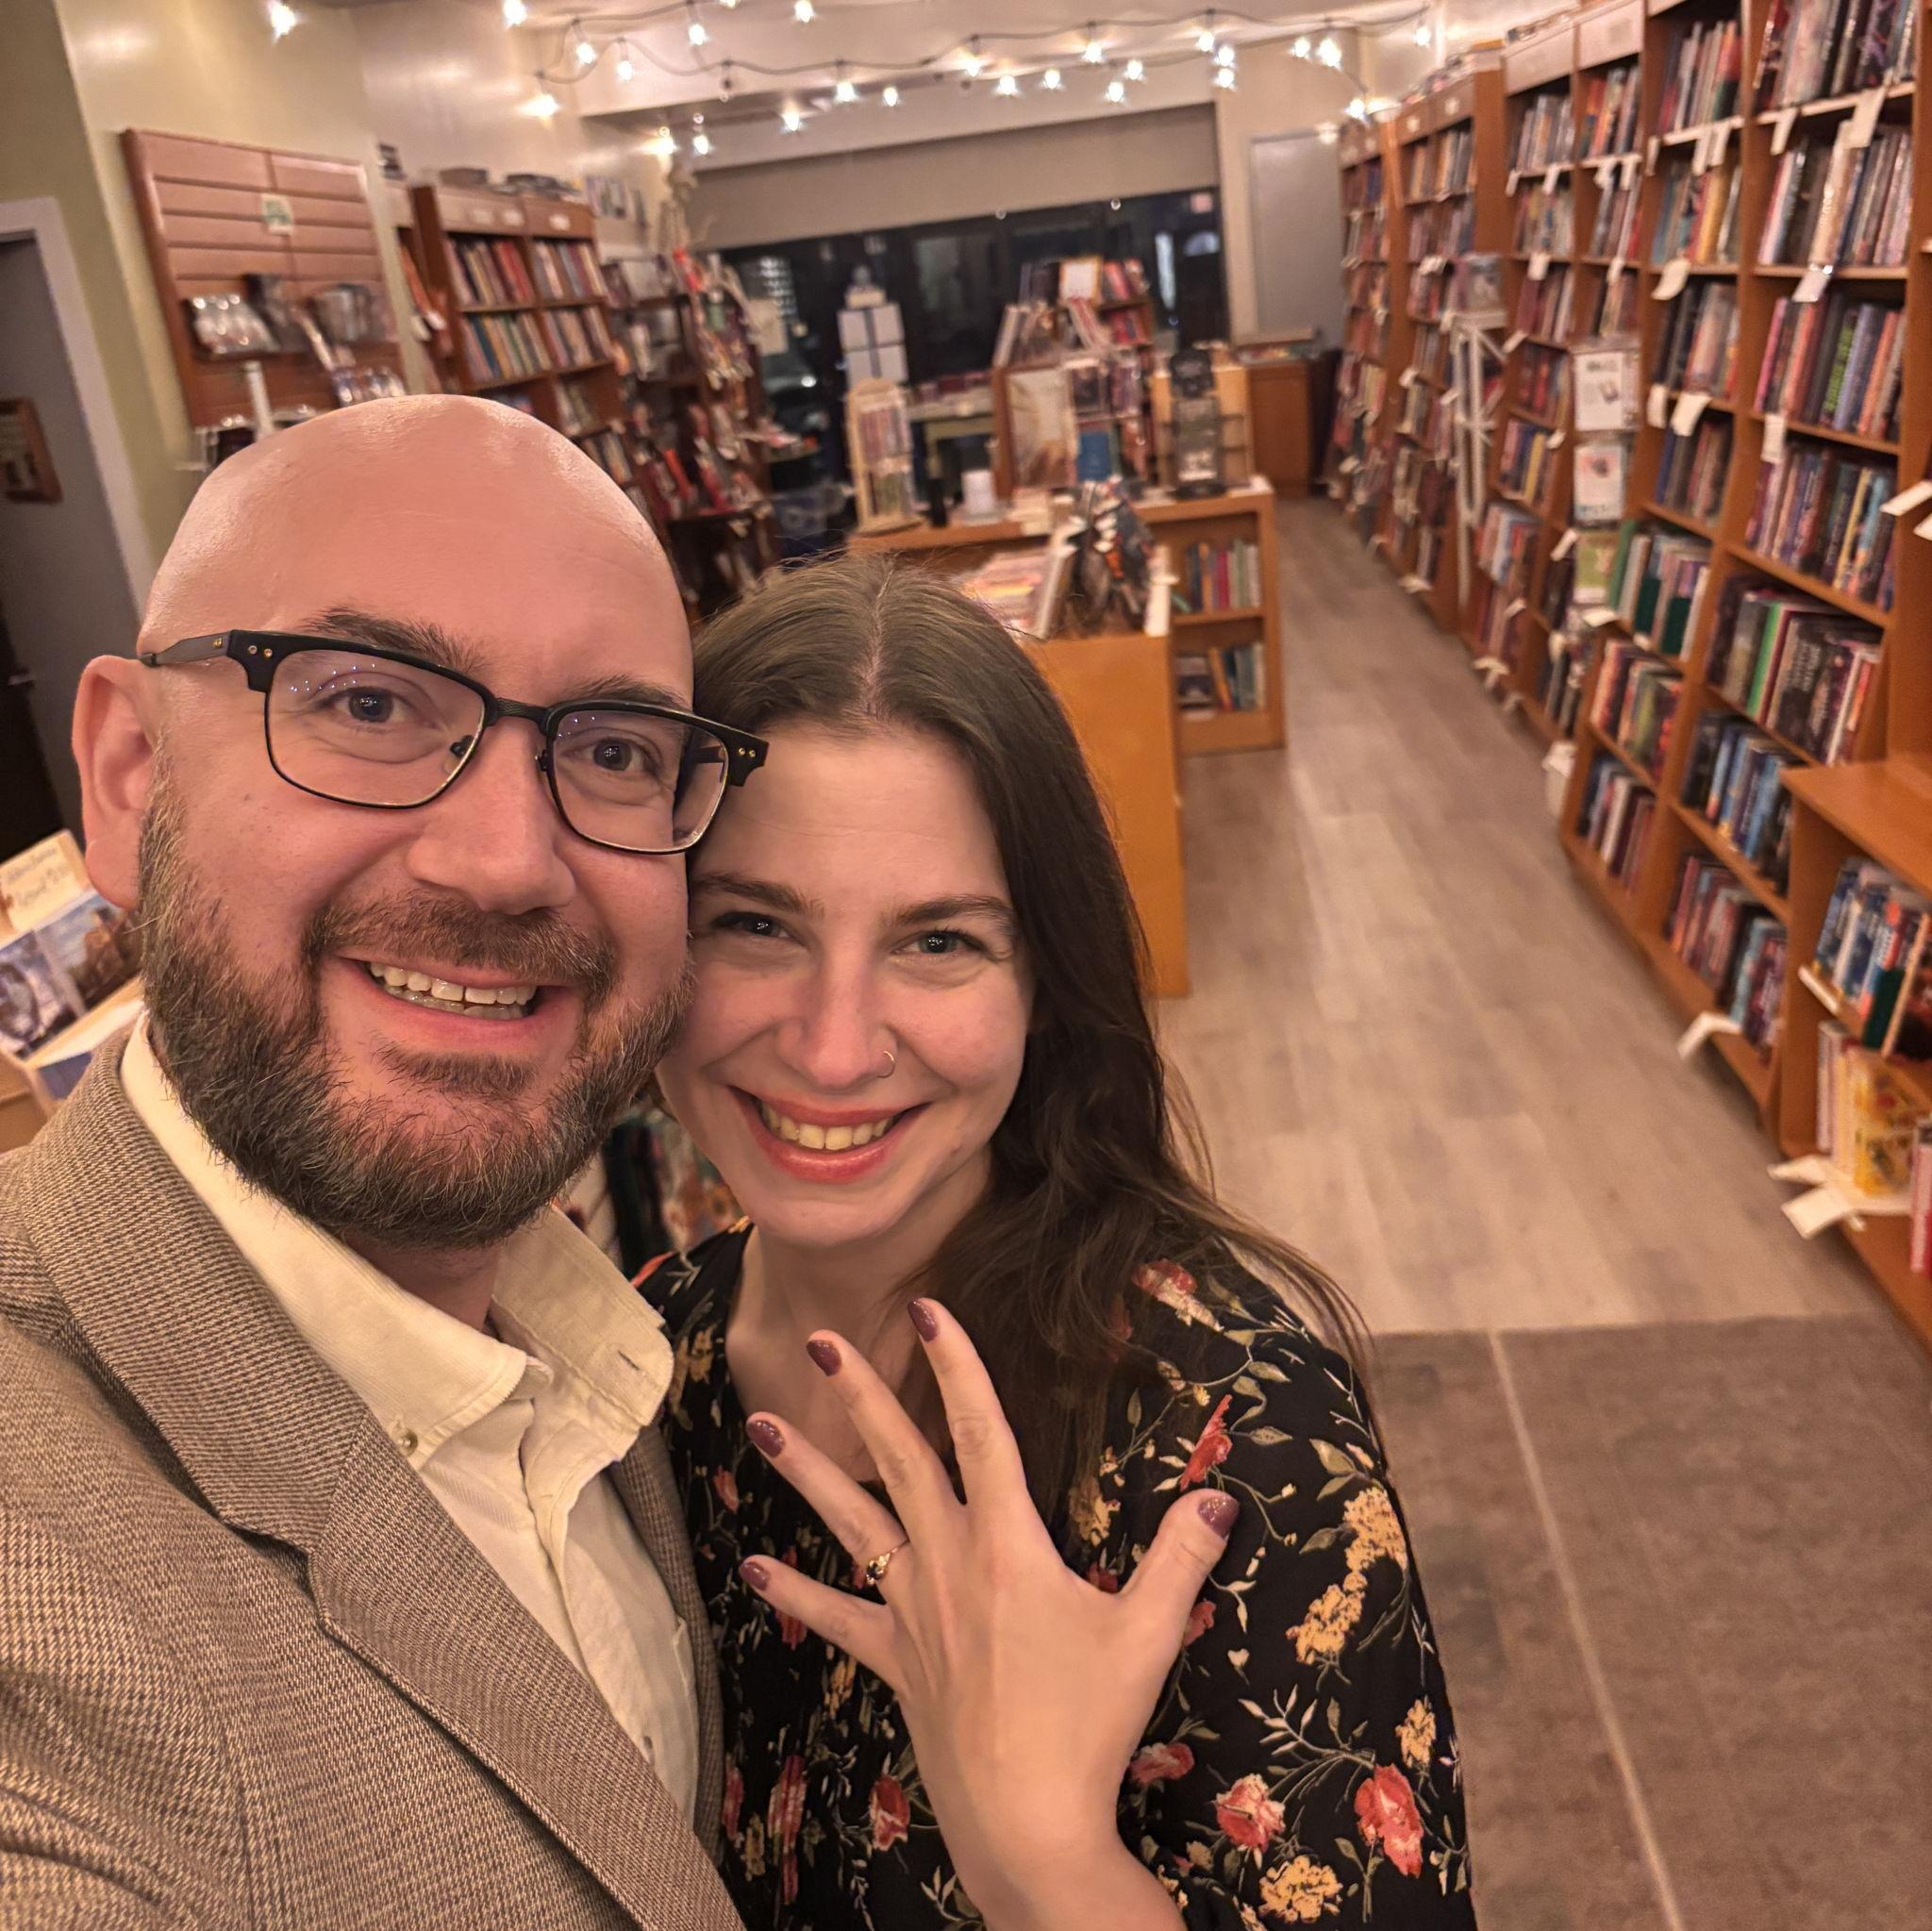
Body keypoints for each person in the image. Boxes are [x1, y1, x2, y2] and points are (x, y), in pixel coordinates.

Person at [0, 397, 761, 1927]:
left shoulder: (614, 1336)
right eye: (365, 704)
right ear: (131, 772)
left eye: (611, 750)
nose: (503, 860)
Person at [644, 554, 1477, 1929]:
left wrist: (1048, 1864)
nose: (835, 1044)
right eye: (752, 923)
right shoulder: (631, 1361)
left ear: (1047, 978)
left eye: (940, 944)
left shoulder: (1230, 1446)